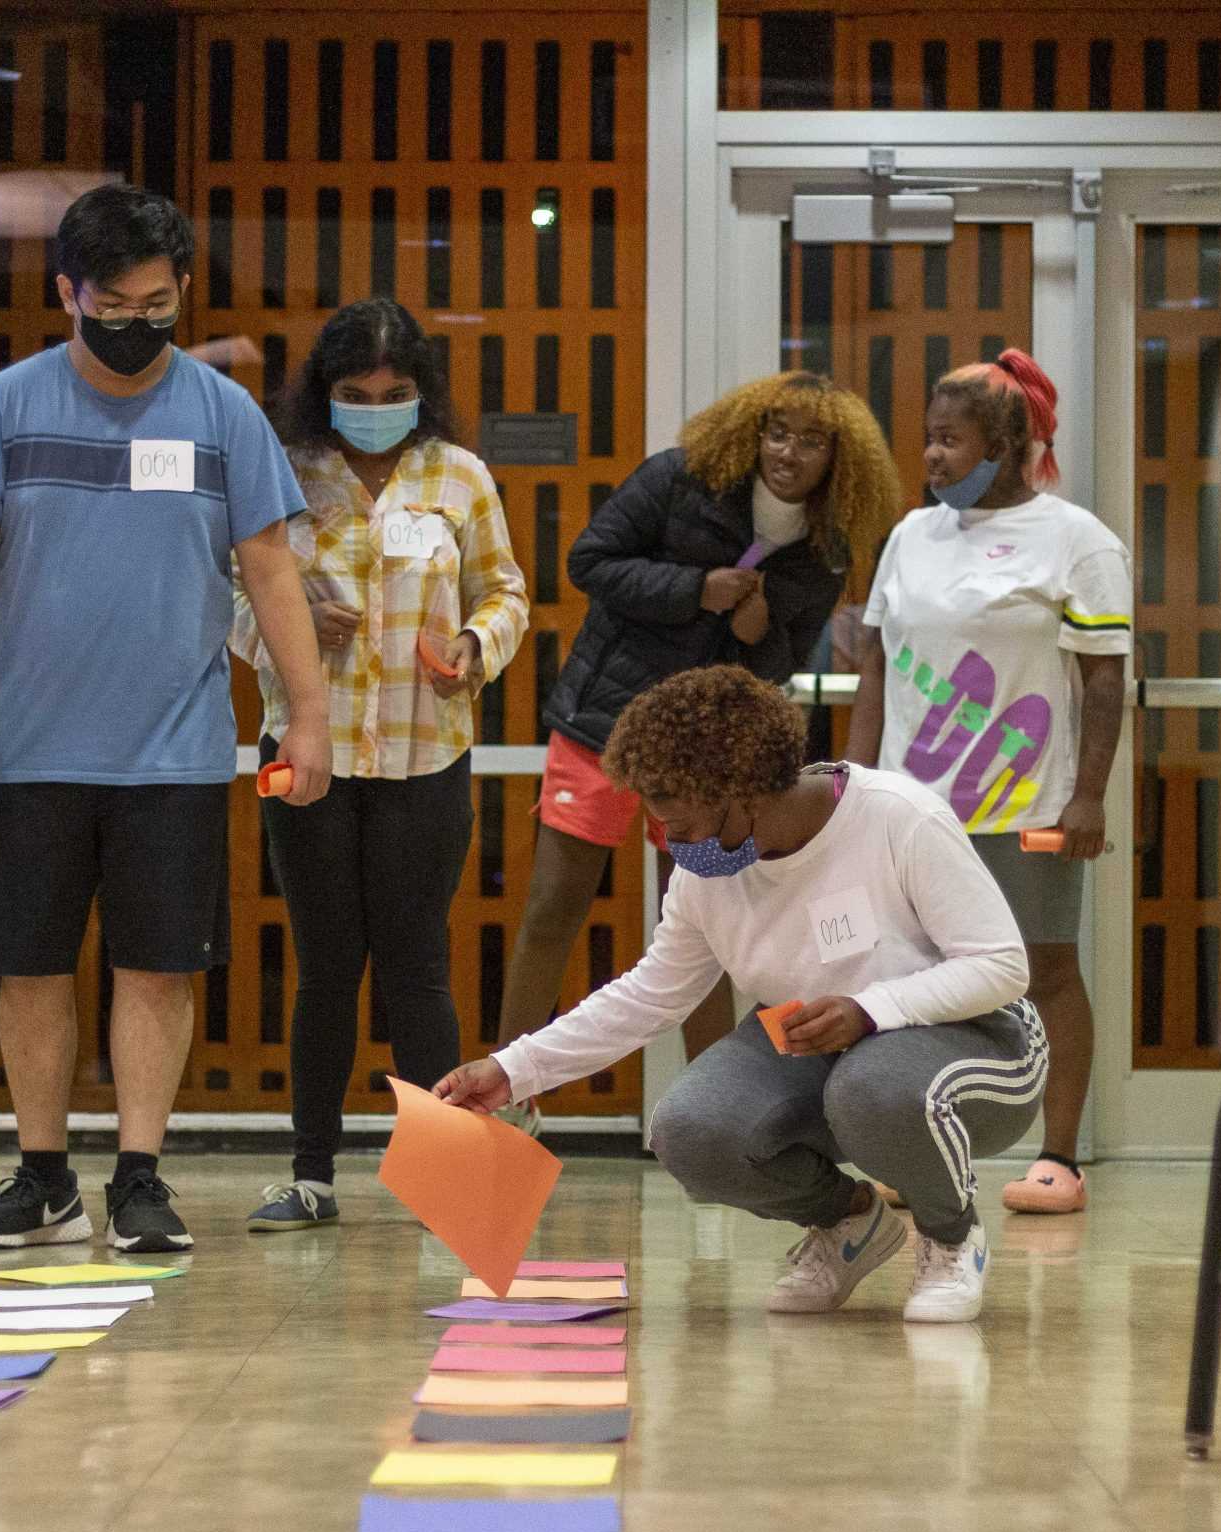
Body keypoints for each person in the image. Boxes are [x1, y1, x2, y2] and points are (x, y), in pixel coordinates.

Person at [0, 185, 330, 1253]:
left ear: (181, 292)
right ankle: (43, 1176)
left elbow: (274, 574)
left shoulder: (222, 415)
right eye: (114, 302)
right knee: (31, 965)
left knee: (158, 965)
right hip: (31, 747)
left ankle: (139, 1175)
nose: (138, 323)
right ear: (68, 293)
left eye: (159, 303)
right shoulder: (5, 408)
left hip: (177, 753)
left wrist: (309, 717)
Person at [439, 666, 1044, 1322]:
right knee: (690, 1129)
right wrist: (511, 1068)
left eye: (688, 824)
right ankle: (848, 1224)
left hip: (983, 1039)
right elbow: (650, 995)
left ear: (747, 788)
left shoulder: (898, 818)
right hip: (818, 1038)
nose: (679, 844)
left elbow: (1002, 964)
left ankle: (952, 1238)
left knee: (870, 1086)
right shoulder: (706, 873)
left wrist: (871, 1009)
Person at [491, 372, 902, 1131]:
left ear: (838, 457)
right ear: (753, 431)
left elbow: (779, 661)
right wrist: (694, 589)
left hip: (711, 764)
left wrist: (758, 635)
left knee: (709, 930)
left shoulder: (827, 545)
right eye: (778, 431)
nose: (789, 451)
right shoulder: (680, 478)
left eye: (812, 440)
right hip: (604, 725)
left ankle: (718, 1115)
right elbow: (590, 560)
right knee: (553, 905)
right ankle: (508, 1097)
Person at [230, 300, 528, 1232]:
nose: (375, 407)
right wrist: (286, 633)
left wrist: (476, 649)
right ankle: (312, 1172)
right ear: (325, 394)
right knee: (325, 967)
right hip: (307, 757)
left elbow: (506, 589)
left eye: (395, 394)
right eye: (355, 394)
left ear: (421, 393)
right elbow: (226, 591)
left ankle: (452, 1180)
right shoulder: (283, 474)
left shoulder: (460, 475)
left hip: (423, 753)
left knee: (418, 968)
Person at [846, 349, 1131, 1216]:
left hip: (1028, 804)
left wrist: (1090, 794)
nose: (932, 459)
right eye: (927, 440)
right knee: (916, 977)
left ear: (1006, 447)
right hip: (912, 810)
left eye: (950, 441)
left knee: (1044, 971)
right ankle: (921, 1148)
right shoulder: (909, 536)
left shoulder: (1078, 539)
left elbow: (1105, 678)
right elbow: (875, 668)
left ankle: (1059, 1157)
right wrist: (858, 784)